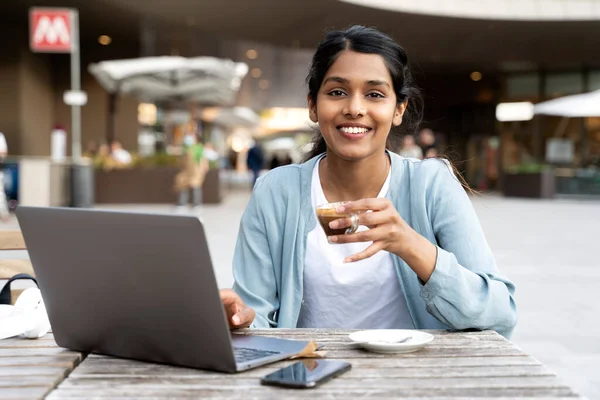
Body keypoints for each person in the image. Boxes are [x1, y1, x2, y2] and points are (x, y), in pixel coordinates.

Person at [220, 26, 517, 338]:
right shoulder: (276, 191)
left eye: (375, 94)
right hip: (307, 375)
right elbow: (258, 318)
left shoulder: (432, 185)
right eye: (337, 92)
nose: (355, 108)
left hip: (417, 378)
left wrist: (410, 244)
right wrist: (242, 318)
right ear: (312, 105)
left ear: (398, 109)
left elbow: (500, 314)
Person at [174, 134, 209, 207]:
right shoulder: (186, 148)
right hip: (187, 171)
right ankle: (182, 203)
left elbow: (203, 160)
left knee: (195, 186)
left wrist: (203, 168)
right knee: (182, 185)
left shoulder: (199, 148)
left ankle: (197, 203)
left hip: (196, 171)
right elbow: (182, 161)